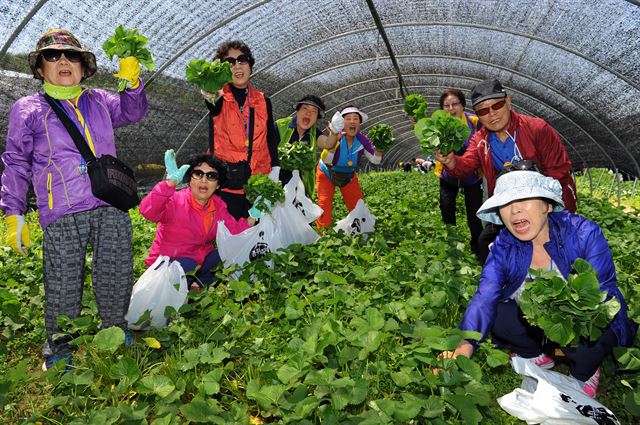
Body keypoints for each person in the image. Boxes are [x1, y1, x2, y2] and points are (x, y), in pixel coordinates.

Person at [0, 28, 148, 370]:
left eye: (72, 56)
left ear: (84, 67)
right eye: (52, 56)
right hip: (62, 207)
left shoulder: (99, 100)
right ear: (40, 68)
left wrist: (133, 81)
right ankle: (61, 347)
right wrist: (14, 212)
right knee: (63, 278)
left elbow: (133, 111)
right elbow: (16, 161)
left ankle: (115, 329)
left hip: (108, 200)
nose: (63, 61)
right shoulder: (28, 109)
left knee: (116, 271)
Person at [443, 167, 637, 398]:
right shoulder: (504, 243)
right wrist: (466, 344)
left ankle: (585, 371)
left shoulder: (584, 233)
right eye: (506, 204)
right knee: (496, 314)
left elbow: (601, 294)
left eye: (524, 199)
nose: (514, 210)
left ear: (548, 205)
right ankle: (535, 353)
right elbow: (485, 294)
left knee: (593, 337)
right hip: (536, 320)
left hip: (579, 321)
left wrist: (563, 319)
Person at [435, 79, 576, 263]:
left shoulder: (537, 129)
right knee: (486, 243)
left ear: (508, 102)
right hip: (510, 207)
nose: (492, 114)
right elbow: (466, 165)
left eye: (497, 105)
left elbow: (558, 172)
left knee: (556, 254)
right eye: (483, 111)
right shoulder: (481, 140)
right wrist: (452, 162)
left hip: (549, 205)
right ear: (478, 115)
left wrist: (544, 208)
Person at [140, 151, 255, 291]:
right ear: (190, 180)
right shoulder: (175, 201)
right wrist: (169, 184)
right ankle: (174, 294)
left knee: (222, 255)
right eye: (198, 174)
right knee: (188, 264)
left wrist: (252, 217)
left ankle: (196, 287)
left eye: (211, 176)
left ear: (218, 185)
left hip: (197, 261)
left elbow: (233, 231)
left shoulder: (218, 206)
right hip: (167, 264)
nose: (204, 180)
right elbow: (148, 211)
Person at [202, 40, 280, 220]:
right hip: (229, 183)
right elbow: (212, 103)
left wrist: (275, 168)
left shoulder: (263, 101)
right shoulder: (218, 97)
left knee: (257, 236)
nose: (237, 66)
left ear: (250, 66)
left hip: (258, 182)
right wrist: (210, 87)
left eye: (242, 60)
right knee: (230, 234)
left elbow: (270, 137)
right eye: (230, 62)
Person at [316, 106, 383, 230]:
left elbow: (375, 160)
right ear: (342, 123)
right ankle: (322, 235)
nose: (352, 121)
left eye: (356, 119)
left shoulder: (363, 140)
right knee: (324, 203)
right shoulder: (336, 137)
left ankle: (361, 230)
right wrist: (333, 139)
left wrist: (380, 147)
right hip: (327, 172)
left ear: (359, 123)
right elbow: (327, 160)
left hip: (348, 175)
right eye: (348, 119)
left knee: (358, 205)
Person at [435, 89, 484, 258]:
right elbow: (424, 135)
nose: (451, 108)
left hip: (471, 176)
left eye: (455, 104)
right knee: (446, 208)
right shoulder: (439, 125)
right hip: (448, 176)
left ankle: (477, 247)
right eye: (446, 105)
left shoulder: (475, 122)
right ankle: (452, 244)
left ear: (462, 105)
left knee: (474, 213)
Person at [276, 94, 332, 196]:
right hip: (275, 184)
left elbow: (327, 144)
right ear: (297, 111)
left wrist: (334, 134)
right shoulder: (280, 126)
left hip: (300, 189)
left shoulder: (314, 133)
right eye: (305, 108)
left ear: (317, 118)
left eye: (314, 111)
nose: (308, 113)